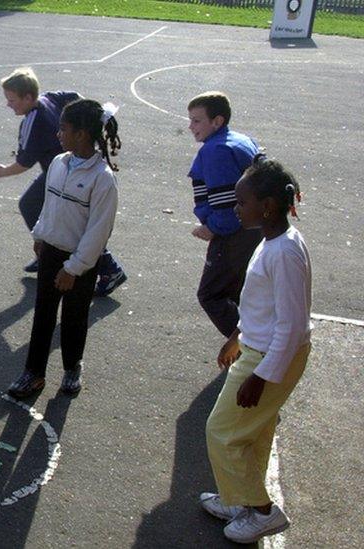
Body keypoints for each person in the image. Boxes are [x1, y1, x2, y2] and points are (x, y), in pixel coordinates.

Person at [200, 158, 311, 544]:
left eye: (241, 202)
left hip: (268, 359)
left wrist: (261, 377)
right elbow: (263, 308)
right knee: (255, 433)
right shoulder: (274, 241)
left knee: (221, 431)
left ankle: (262, 511)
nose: (236, 208)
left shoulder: (284, 253)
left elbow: (292, 325)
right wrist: (237, 334)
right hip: (258, 349)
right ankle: (240, 499)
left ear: (266, 206)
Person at [7, 99, 121, 399]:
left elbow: (98, 232)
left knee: (74, 317)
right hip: (51, 252)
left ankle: (72, 367)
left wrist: (74, 268)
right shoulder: (59, 163)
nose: (59, 134)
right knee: (43, 314)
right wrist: (40, 234)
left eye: (64, 128)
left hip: (79, 261)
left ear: (82, 134)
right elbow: (49, 205)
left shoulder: (102, 179)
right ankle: (34, 374)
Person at [0, 67, 126, 297]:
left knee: (65, 220)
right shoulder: (50, 97)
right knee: (39, 208)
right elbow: (73, 97)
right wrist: (90, 119)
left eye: (11, 100)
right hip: (66, 168)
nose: (8, 104)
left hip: (62, 173)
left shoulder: (33, 122)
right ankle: (48, 250)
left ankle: (106, 267)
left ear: (28, 98)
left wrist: (3, 171)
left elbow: (24, 162)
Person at [186, 91, 262, 337]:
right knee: (240, 290)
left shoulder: (215, 151)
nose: (191, 127)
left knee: (211, 294)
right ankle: (259, 340)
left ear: (217, 121)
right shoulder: (240, 140)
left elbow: (227, 204)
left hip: (234, 236)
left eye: (197, 121)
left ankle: (249, 347)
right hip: (255, 230)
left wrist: (213, 228)